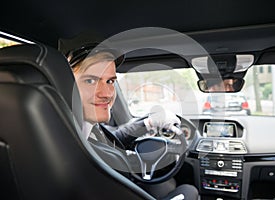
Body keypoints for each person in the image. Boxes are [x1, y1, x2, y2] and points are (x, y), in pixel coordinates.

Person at [66, 43, 199, 200]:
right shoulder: (67, 143)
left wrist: (148, 123)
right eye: (90, 81)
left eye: (110, 81)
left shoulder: (85, 127)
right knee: (190, 190)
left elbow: (113, 139)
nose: (107, 94)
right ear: (65, 83)